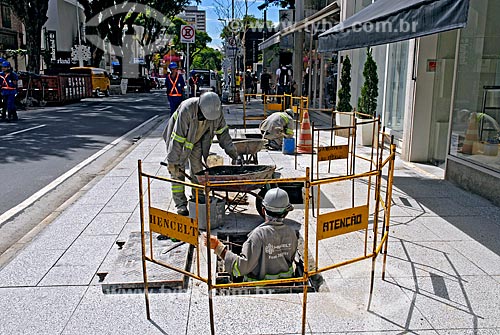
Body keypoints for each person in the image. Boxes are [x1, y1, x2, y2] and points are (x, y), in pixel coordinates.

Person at [162, 91, 240, 216]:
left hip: (198, 140)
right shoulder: (187, 109)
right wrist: (172, 161)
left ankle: (198, 198)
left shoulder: (216, 112)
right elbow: (177, 139)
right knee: (177, 171)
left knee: (198, 171)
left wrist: (234, 154)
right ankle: (180, 204)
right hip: (178, 139)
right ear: (200, 108)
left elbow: (224, 135)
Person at [204, 187, 298, 281]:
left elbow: (241, 268)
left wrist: (218, 247)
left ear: (263, 210)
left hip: (261, 291)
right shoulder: (291, 233)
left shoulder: (257, 236)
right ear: (286, 213)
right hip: (287, 285)